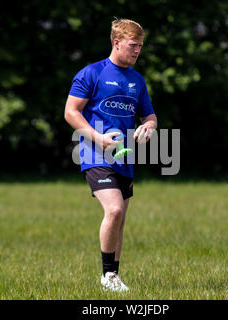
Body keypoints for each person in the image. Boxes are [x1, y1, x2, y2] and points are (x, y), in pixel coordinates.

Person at [64, 18, 158, 292]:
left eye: (140, 46)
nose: (137, 50)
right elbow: (71, 112)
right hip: (94, 154)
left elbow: (149, 115)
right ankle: (107, 276)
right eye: (133, 45)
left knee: (120, 220)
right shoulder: (91, 73)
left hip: (125, 158)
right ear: (116, 43)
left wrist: (149, 126)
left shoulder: (137, 81)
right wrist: (98, 137)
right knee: (114, 209)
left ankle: (113, 277)